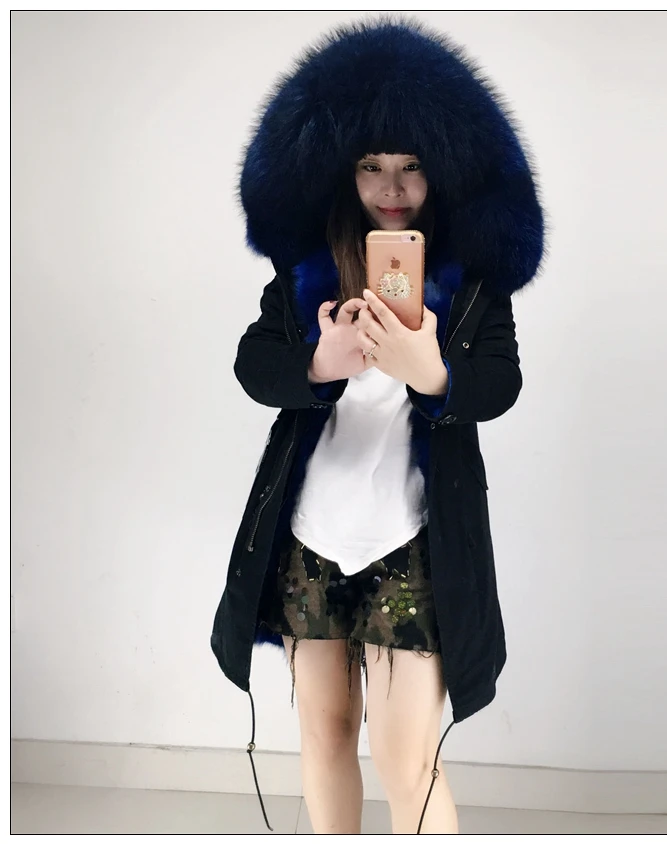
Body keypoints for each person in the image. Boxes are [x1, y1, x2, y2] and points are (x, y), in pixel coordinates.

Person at [211, 17, 544, 835]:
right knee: (323, 738)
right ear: (343, 170)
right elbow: (254, 364)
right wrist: (319, 363)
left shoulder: (472, 283)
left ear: (443, 170)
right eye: (371, 165)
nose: (391, 186)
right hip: (310, 536)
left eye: (411, 165)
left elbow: (501, 383)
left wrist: (432, 373)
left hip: (414, 541)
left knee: (406, 761)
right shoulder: (304, 272)